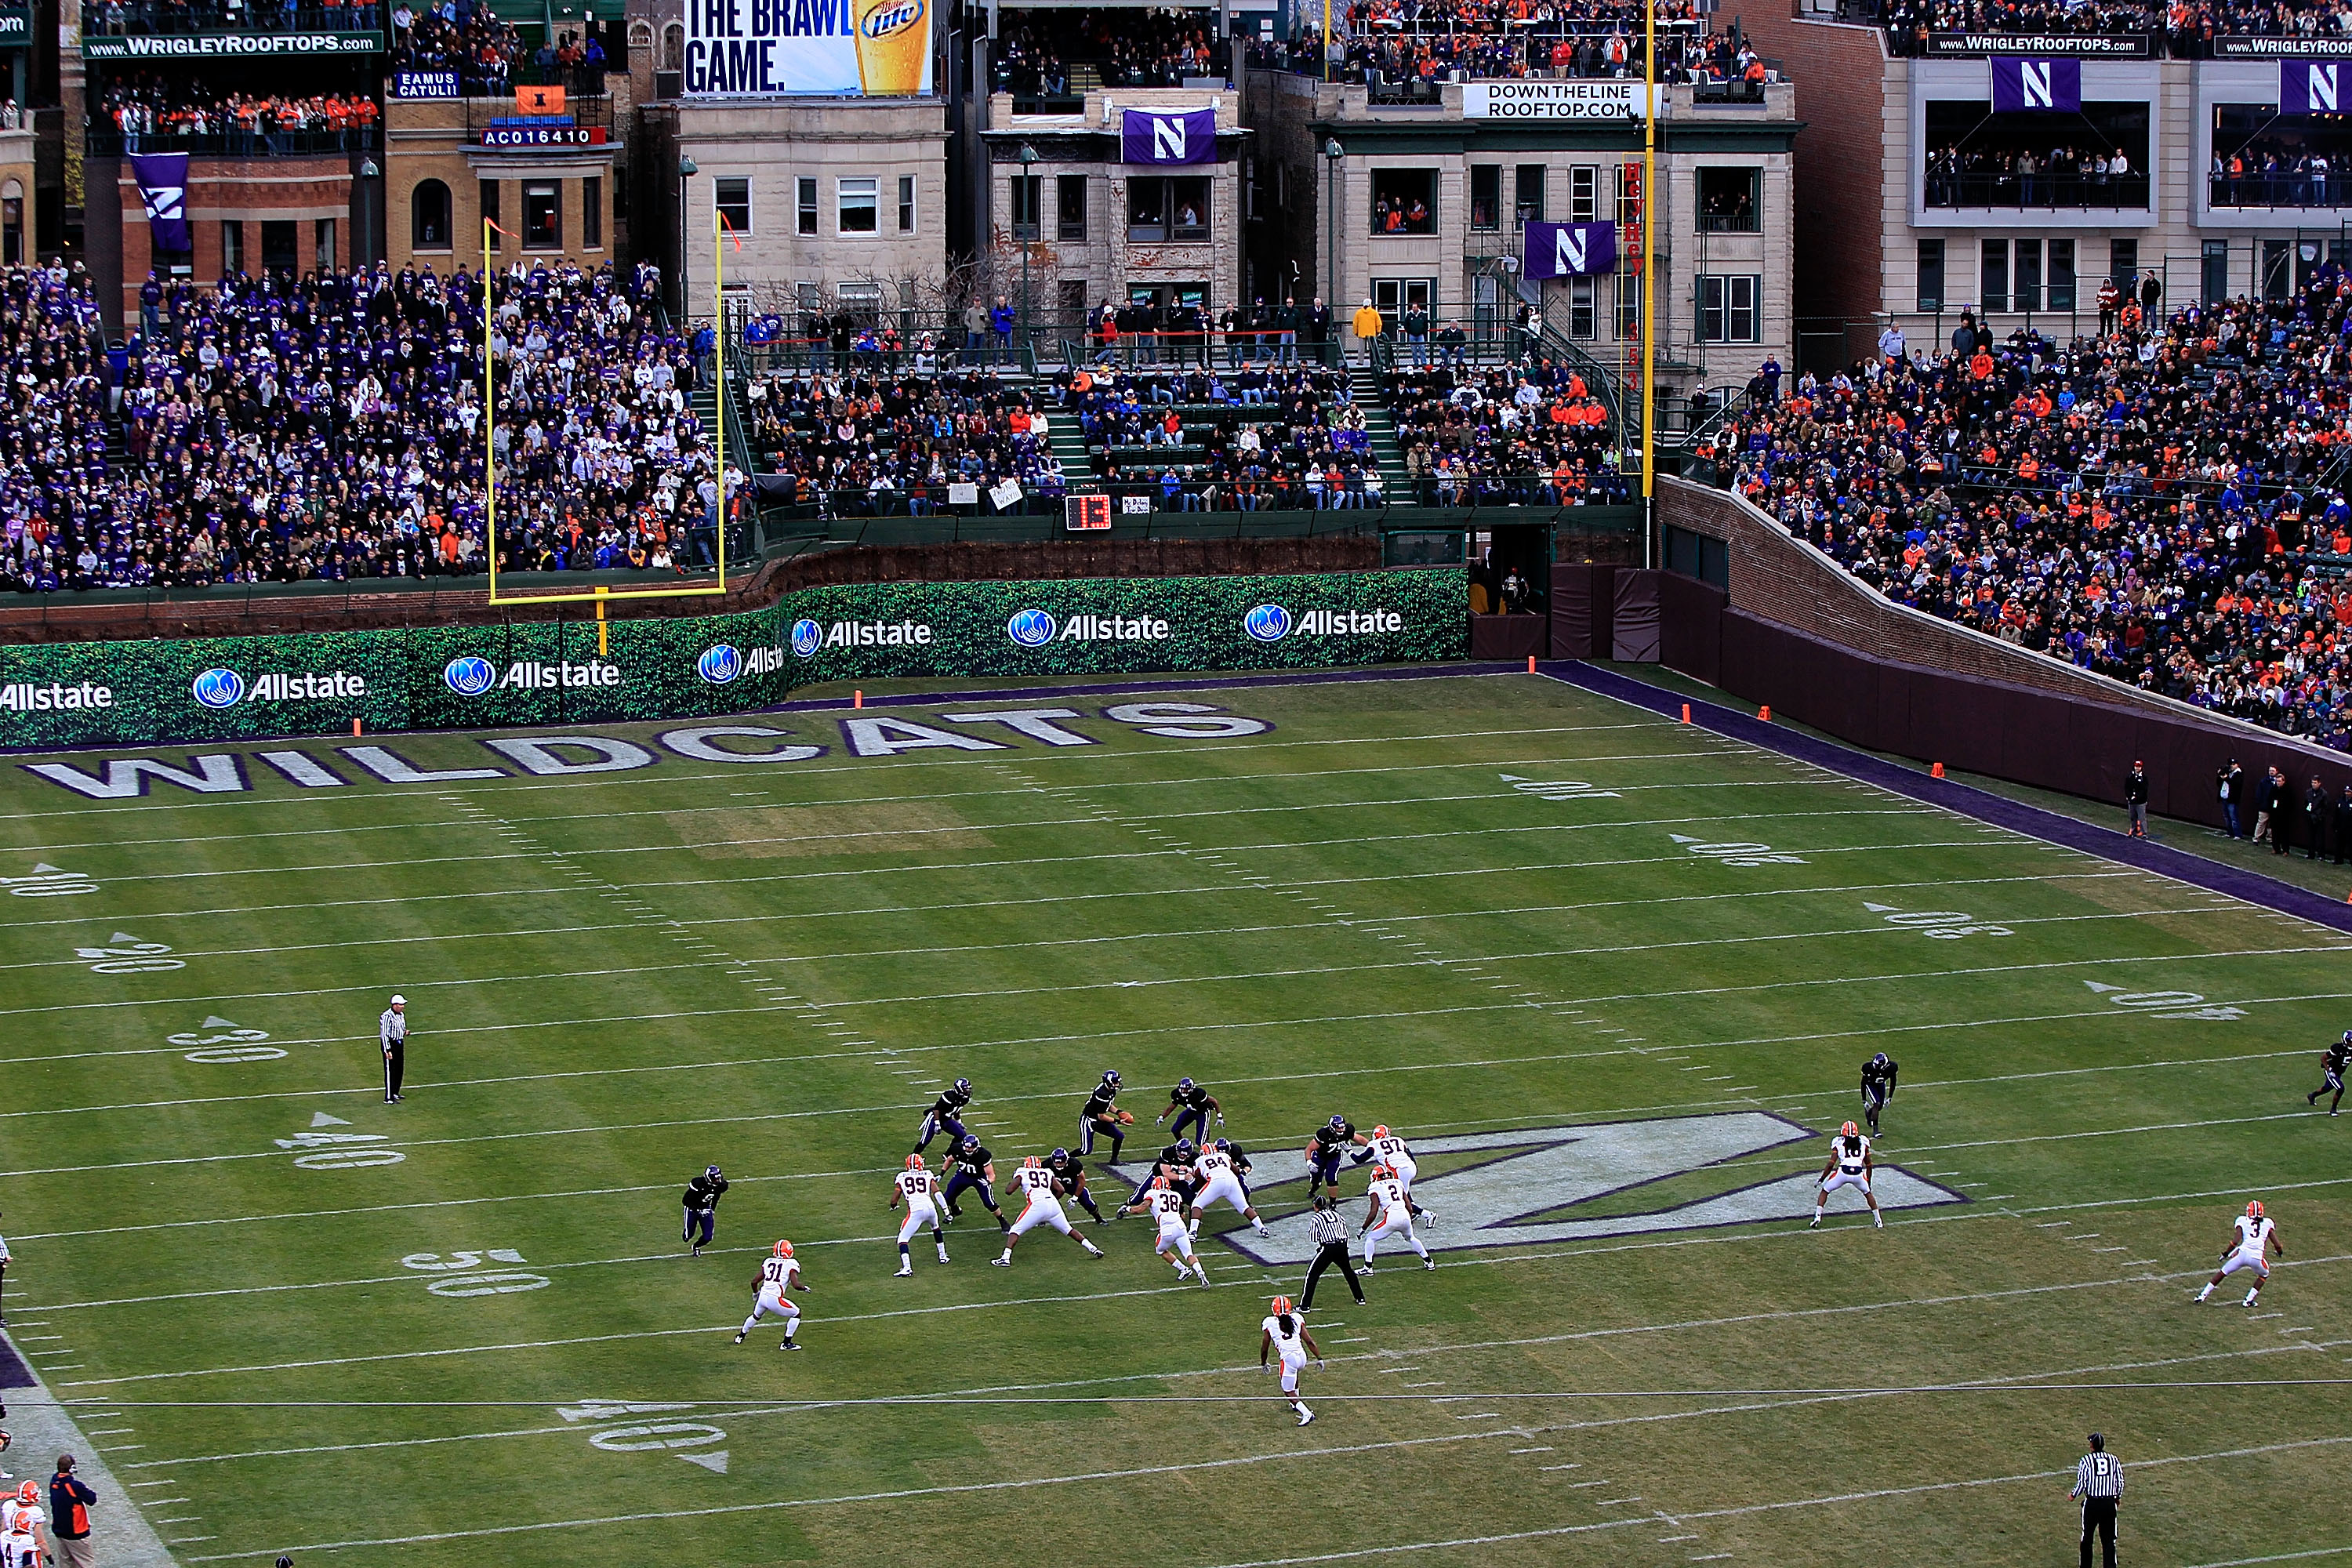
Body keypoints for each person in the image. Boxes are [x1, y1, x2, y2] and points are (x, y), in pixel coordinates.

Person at [995, 1155, 1105, 1267]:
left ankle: (1005, 1258)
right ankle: (1093, 1248)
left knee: (1015, 1230)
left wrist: (1014, 1182)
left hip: (1037, 1205)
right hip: (1053, 1204)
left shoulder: (1022, 1172)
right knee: (1069, 1229)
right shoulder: (1047, 1172)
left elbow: (1009, 1191)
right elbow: (1061, 1190)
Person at [1120, 1174, 1211, 1286]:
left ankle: (1184, 1269)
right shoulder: (1176, 1195)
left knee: (1161, 1250)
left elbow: (1139, 1209)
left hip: (1167, 1229)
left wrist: (1127, 1208)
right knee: (1189, 1254)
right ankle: (1200, 1272)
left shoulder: (1152, 1194)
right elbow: (1182, 1215)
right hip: (1181, 1227)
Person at [2196, 1200, 2282, 1305]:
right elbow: (2277, 1245)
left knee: (2223, 1272)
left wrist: (2226, 1253)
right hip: (2256, 1258)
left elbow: (2235, 1241)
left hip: (2242, 1254)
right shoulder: (2268, 1223)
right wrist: (2279, 1252)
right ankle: (2248, 1300)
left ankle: (2202, 1295)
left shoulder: (2242, 1220)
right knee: (2264, 1274)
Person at [1259, 1296, 1325, 1426]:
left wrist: (1263, 1362)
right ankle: (1296, 1404)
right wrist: (1319, 1358)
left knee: (1287, 1390)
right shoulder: (1297, 1318)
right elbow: (1309, 1341)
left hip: (1289, 1360)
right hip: (1302, 1356)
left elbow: (1264, 1347)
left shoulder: (1270, 1323)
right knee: (1294, 1375)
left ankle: (1307, 1414)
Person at [1186, 1138, 1269, 1237]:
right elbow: (1236, 1171)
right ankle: (1262, 1228)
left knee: (1197, 1205)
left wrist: (1195, 1184)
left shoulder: (1200, 1160)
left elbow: (1199, 1181)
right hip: (1232, 1180)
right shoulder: (1224, 1156)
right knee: (1244, 1207)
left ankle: (1193, 1232)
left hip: (1215, 1182)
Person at [734, 1240, 808, 1350]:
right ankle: (786, 1343)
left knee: (755, 1316)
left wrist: (755, 1294)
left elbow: (754, 1282)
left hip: (763, 1296)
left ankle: (740, 1336)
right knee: (796, 1313)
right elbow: (796, 1285)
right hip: (775, 1299)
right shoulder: (791, 1263)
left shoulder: (769, 1261)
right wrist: (804, 1288)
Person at [1359, 1163, 1432, 1272]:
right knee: (1411, 1238)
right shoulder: (1398, 1183)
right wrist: (1408, 1218)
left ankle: (1368, 1268)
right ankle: (1429, 1262)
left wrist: (1363, 1228)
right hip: (1405, 1215)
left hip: (1392, 1218)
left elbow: (1373, 1212)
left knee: (1370, 1238)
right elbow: (1409, 1206)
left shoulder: (1375, 1187)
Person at [1811, 1120, 1883, 1229]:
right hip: (1858, 1173)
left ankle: (1817, 1216)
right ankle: (1879, 1221)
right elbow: (1869, 1164)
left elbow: (1831, 1163)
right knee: (1868, 1193)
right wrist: (1868, 1181)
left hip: (1843, 1172)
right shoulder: (1863, 1141)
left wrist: (1822, 1179)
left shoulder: (1838, 1141)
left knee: (1825, 1191)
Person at [1298, 1192, 1364, 1309]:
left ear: (1316, 1206)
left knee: (1312, 1275)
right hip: (1343, 1246)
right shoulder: (1336, 1215)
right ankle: (1360, 1298)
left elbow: (1313, 1238)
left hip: (1329, 1248)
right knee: (1348, 1271)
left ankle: (1305, 1306)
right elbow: (1345, 1232)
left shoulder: (1316, 1218)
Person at [1354, 1124, 1432, 1224]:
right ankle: (1412, 1212)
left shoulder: (1374, 1144)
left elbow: (1359, 1160)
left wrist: (1349, 1150)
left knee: (1400, 1199)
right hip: (1411, 1167)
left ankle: (1428, 1215)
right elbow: (1410, 1155)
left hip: (1399, 1170)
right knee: (1404, 1192)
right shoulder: (1398, 1140)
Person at [891, 1154, 952, 1275]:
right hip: (930, 1208)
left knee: (902, 1239)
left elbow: (894, 1199)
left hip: (916, 1211)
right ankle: (943, 1256)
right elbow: (937, 1193)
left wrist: (893, 1206)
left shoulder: (901, 1176)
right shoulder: (927, 1174)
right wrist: (946, 1211)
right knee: (936, 1228)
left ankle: (907, 1268)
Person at [2069, 1432, 2123, 1568]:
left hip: (2092, 1504)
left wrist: (2073, 1495)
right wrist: (2117, 1497)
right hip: (2109, 1504)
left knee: (2087, 1537)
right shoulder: (2113, 1459)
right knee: (2109, 1540)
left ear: (2092, 1445)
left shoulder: (2086, 1460)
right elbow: (2120, 1481)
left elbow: (2082, 1482)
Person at [942, 1134, 1011, 1233]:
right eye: (966, 1147)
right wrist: (941, 1173)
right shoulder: (957, 1149)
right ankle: (955, 1210)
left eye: (971, 1148)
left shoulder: (983, 1155)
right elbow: (950, 1160)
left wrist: (987, 1182)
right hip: (963, 1175)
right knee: (947, 1198)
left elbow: (992, 1175)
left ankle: (1003, 1222)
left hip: (979, 1178)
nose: (968, 1149)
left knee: (989, 1203)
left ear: (976, 1147)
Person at [45, 1456, 95, 1568]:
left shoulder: (54, 1480)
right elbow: (92, 1499)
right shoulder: (74, 1486)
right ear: (72, 1468)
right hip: (76, 1532)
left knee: (66, 1563)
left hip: (60, 1530)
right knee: (86, 1563)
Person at [1046, 1146, 1108, 1224]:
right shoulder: (1046, 1165)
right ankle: (1042, 1219)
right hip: (1055, 1187)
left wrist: (1075, 1198)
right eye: (1056, 1163)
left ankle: (1098, 1218)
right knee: (1044, 1201)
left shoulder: (1074, 1165)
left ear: (1066, 1160)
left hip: (1072, 1185)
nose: (1058, 1165)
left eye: (1061, 1163)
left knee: (1088, 1203)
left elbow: (1081, 1182)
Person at [1305, 1112, 1358, 1196]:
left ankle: (1332, 1204)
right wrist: (1309, 1163)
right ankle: (1313, 1189)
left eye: (1342, 1127)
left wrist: (1371, 1146)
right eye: (1338, 1128)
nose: (1341, 1130)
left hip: (1334, 1157)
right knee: (1316, 1179)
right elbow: (1309, 1149)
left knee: (1331, 1178)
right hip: (1320, 1156)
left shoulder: (1347, 1131)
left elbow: (1359, 1139)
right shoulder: (1323, 1134)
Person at [914, 1077, 974, 1153]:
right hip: (935, 1118)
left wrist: (959, 1122)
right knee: (925, 1140)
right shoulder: (949, 1096)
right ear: (960, 1089)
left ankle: (947, 1155)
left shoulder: (965, 1099)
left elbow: (957, 1110)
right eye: (966, 1089)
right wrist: (937, 1124)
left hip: (947, 1120)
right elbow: (936, 1109)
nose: (968, 1091)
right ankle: (913, 1157)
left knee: (961, 1135)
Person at [1079, 1069, 1129, 1158]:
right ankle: (1064, 1160)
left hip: (1098, 1120)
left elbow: (1108, 1105)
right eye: (1115, 1082)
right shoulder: (1102, 1094)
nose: (1117, 1084)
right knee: (1085, 1150)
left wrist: (1119, 1112)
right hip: (1089, 1121)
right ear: (1109, 1082)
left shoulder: (1109, 1089)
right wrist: (1118, 1121)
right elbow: (1101, 1116)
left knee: (1119, 1137)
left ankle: (1114, 1160)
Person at [1157, 1076, 1223, 1142]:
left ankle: (1207, 1148)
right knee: (1175, 1130)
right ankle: (1181, 1144)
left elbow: (1213, 1101)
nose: (1183, 1091)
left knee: (1200, 1141)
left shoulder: (1199, 1094)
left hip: (1202, 1113)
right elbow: (1173, 1105)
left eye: (1186, 1089)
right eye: (1182, 1089)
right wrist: (1162, 1116)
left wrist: (1219, 1116)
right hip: (1191, 1112)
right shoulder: (1176, 1094)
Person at [681, 1163, 728, 1256]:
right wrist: (697, 1210)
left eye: (719, 1178)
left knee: (708, 1237)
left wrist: (712, 1209)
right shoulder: (698, 1184)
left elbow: (716, 1195)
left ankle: (696, 1247)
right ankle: (687, 1233)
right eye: (715, 1179)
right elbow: (686, 1200)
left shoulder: (721, 1185)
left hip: (705, 1208)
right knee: (688, 1236)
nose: (718, 1181)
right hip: (692, 1209)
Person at [2308, 1030, 2349, 1115]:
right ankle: (2333, 1110)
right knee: (2341, 1088)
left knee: (2327, 1088)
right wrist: (2328, 1069)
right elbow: (2323, 1058)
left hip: (2339, 1072)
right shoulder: (2337, 1048)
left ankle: (2312, 1096)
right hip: (2332, 1071)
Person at [1860, 1053, 1899, 1134]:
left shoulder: (1892, 1068)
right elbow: (1863, 1083)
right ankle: (1876, 1130)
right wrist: (1864, 1100)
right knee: (1876, 1104)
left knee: (1879, 1107)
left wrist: (1890, 1097)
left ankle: (1869, 1113)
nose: (1875, 1066)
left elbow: (1893, 1082)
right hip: (1870, 1084)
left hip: (1881, 1084)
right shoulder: (1868, 1068)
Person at [379, 993, 407, 1102]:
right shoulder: (387, 1016)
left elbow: (399, 1028)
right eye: (401, 1004)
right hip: (391, 1045)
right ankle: (388, 1097)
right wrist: (388, 1050)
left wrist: (404, 1032)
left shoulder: (401, 1015)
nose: (403, 1006)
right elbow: (384, 1034)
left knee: (399, 1069)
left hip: (399, 1043)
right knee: (390, 1071)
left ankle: (395, 1092)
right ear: (395, 1005)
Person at [2217, 757, 2245, 838]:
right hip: (2224, 797)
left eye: (2234, 764)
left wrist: (2226, 777)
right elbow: (2219, 783)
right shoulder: (2228, 772)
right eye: (2231, 765)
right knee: (2226, 817)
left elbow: (2234, 784)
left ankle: (2237, 834)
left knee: (2234, 817)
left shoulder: (2239, 773)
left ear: (2237, 765)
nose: (2232, 766)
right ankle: (2230, 833)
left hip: (2232, 799)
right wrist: (2220, 775)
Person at [1351, 299, 1383, 367]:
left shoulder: (1358, 313)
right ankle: (1373, 361)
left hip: (1361, 333)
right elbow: (1379, 323)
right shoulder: (1374, 312)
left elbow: (1355, 324)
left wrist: (1356, 332)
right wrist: (1378, 332)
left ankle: (1360, 361)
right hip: (1372, 333)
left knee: (1361, 349)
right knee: (1373, 348)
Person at [2306, 775, 2329, 859]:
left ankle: (2321, 855)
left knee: (2320, 838)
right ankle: (2310, 854)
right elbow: (2306, 804)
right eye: (2312, 783)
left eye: (2315, 783)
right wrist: (2309, 814)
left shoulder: (2324, 794)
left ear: (2319, 783)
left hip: (2319, 819)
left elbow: (2325, 807)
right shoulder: (2308, 792)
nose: (2313, 784)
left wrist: (2319, 816)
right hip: (2310, 817)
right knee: (2311, 836)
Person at [2123, 759, 2149, 837]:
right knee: (2133, 817)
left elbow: (2144, 790)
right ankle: (2133, 831)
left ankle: (2144, 832)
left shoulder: (2144, 778)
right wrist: (2129, 796)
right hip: (2132, 801)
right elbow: (2127, 787)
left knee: (2142, 818)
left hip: (2141, 801)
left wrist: (2136, 797)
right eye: (2136, 766)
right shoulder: (2130, 776)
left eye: (2139, 767)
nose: (2137, 768)